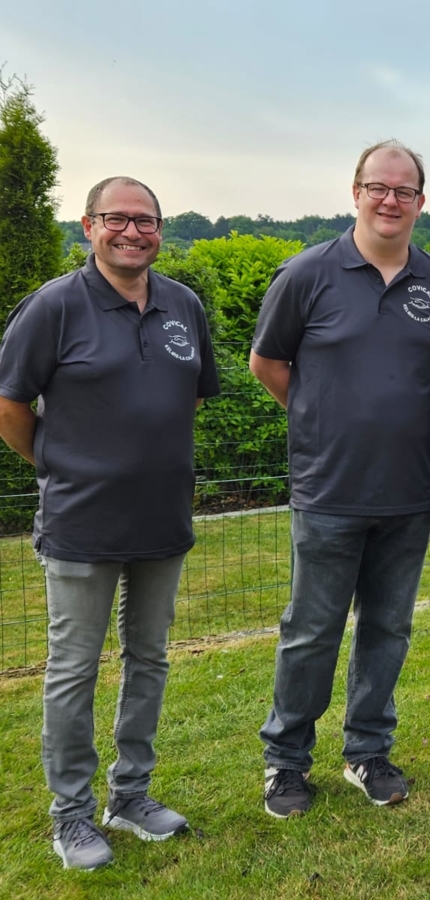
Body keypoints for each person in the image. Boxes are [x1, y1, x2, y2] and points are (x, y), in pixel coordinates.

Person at [0, 177, 219, 869]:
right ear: (89, 225)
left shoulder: (184, 304)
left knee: (149, 659)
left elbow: (189, 400)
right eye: (117, 219)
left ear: (161, 230)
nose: (133, 231)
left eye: (147, 220)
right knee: (72, 670)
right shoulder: (55, 307)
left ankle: (129, 797)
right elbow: (10, 406)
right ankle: (70, 816)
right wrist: (66, 464)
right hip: (81, 524)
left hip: (162, 521)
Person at [250, 140, 430, 818]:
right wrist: (326, 418)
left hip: (409, 492)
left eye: (404, 190)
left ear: (422, 202)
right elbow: (268, 364)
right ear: (355, 192)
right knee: (311, 631)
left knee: (387, 631)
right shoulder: (307, 274)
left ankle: (367, 751)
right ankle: (286, 762)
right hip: (329, 489)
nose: (390, 200)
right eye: (379, 187)